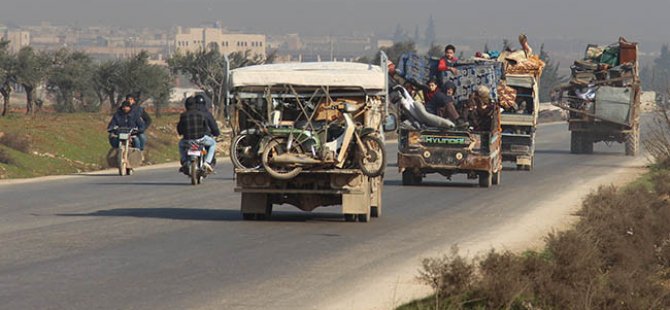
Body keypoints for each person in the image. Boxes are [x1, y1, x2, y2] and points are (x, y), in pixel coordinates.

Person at [177, 96, 221, 174]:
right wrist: (216, 133)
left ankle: (184, 161)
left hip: (187, 140)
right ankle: (207, 162)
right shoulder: (202, 114)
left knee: (180, 144)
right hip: (201, 138)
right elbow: (207, 126)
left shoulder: (183, 115)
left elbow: (180, 128)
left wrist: (182, 133)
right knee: (213, 143)